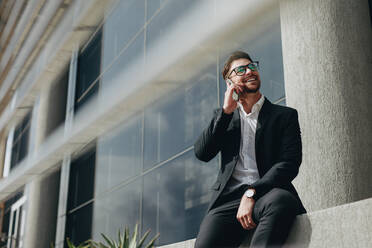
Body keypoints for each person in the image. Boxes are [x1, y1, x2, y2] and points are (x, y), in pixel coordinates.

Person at [194, 51, 306, 248]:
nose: (249, 71)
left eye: (252, 66)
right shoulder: (225, 119)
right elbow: (202, 153)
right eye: (241, 70)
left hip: (267, 193)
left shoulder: (285, 116)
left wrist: (252, 192)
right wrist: (226, 111)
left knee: (282, 200)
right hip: (227, 203)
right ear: (230, 83)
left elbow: (289, 163)